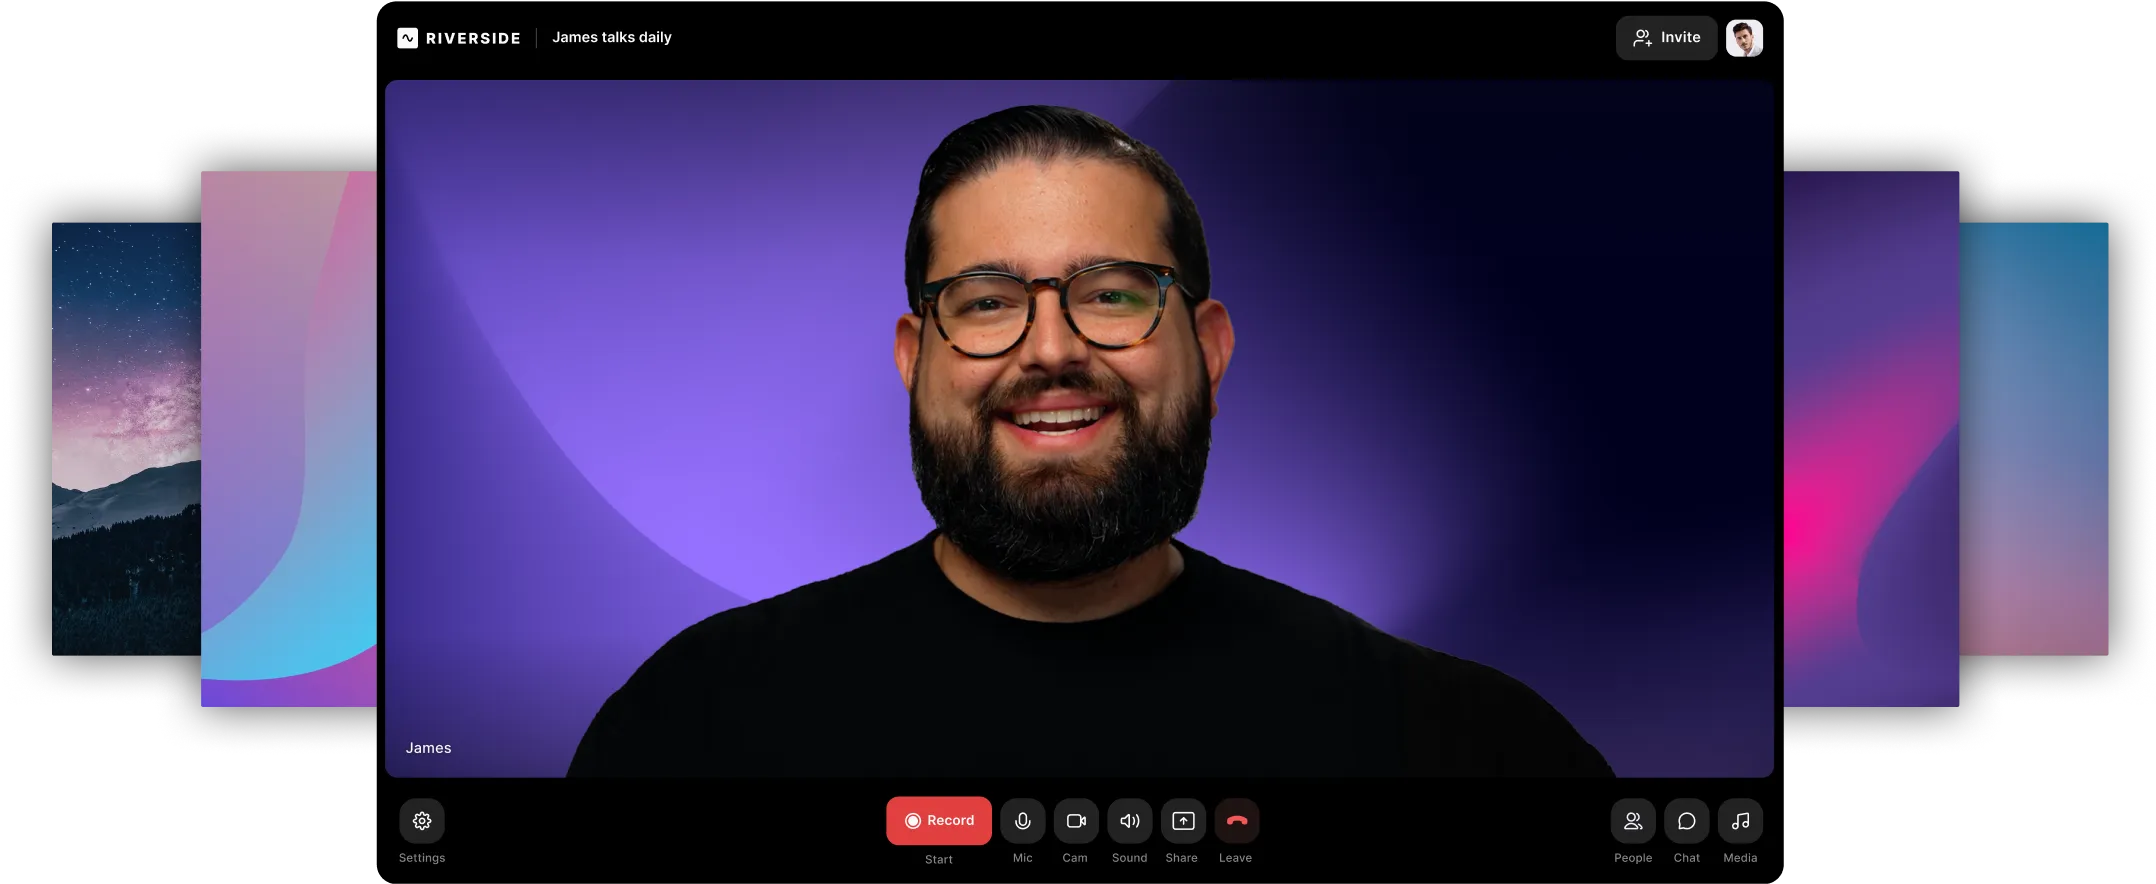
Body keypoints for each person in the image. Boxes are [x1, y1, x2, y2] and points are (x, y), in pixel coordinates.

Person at [568, 106, 1613, 778]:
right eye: (985, 302)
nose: (1051, 349)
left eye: (1111, 294)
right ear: (913, 355)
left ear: (1206, 348)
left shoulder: (1457, 743)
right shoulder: (696, 724)